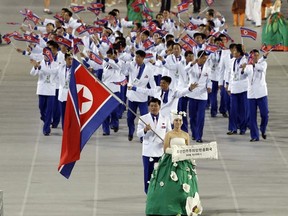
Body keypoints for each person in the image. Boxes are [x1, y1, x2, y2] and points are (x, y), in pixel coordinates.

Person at [146, 111, 201, 215]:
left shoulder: (186, 135)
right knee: (171, 186)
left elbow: (188, 149)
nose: (178, 122)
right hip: (170, 162)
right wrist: (176, 152)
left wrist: (191, 159)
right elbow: (165, 149)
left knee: (184, 184)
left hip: (184, 163)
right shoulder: (169, 134)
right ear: (173, 122)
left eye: (180, 120)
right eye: (176, 120)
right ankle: (170, 208)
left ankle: (185, 207)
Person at [136, 98, 172, 194]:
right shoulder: (143, 119)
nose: (153, 108)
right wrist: (145, 130)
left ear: (159, 107)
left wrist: (167, 141)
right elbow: (138, 134)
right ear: (148, 107)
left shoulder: (165, 118)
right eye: (151, 106)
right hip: (148, 151)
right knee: (148, 174)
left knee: (162, 173)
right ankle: (148, 192)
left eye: (155, 106)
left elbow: (169, 133)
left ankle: (160, 192)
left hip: (161, 150)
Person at [242, 50, 269, 142]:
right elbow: (243, 75)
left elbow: (260, 68)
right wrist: (242, 69)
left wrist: (255, 63)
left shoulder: (263, 64)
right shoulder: (248, 66)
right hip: (251, 94)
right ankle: (254, 136)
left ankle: (263, 129)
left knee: (264, 114)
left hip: (262, 93)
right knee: (251, 116)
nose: (256, 57)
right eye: (254, 56)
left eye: (257, 55)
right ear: (251, 56)